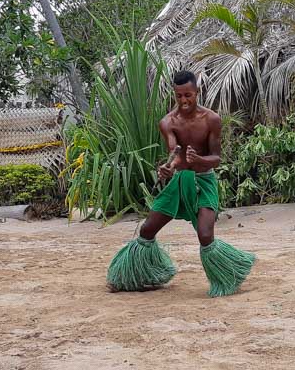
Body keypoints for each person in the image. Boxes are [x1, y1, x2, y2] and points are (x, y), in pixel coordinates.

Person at [107, 71, 255, 297]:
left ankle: (228, 277)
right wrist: (169, 167)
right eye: (179, 96)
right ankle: (132, 275)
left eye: (188, 95)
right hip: (179, 182)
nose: (184, 101)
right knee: (147, 229)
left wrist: (200, 160)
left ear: (197, 92)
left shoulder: (212, 119)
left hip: (204, 182)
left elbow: (216, 158)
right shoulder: (167, 122)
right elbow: (174, 153)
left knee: (206, 236)